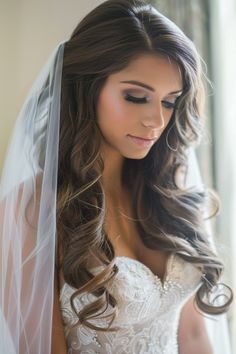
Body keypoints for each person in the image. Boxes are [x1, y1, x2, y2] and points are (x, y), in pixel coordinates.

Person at [0, 0, 233, 353]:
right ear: (87, 88)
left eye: (169, 101)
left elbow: (195, 336)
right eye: (136, 96)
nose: (156, 120)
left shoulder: (171, 191)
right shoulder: (31, 209)